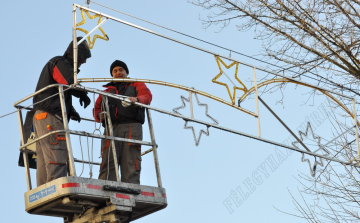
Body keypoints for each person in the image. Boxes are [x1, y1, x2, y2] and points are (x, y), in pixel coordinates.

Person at [33, 37, 92, 186]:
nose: (84, 61)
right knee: (56, 152)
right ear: (76, 54)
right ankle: (56, 188)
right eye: (83, 57)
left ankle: (44, 190)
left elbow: (59, 90)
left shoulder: (59, 64)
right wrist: (82, 94)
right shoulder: (60, 62)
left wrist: (71, 110)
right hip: (50, 116)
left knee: (45, 157)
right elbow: (68, 82)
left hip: (42, 115)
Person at [93, 60, 152, 184]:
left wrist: (136, 100)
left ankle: (131, 189)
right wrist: (99, 115)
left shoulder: (137, 84)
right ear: (112, 74)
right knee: (108, 161)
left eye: (121, 70)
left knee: (130, 160)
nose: (118, 72)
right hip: (111, 128)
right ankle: (107, 187)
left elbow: (147, 96)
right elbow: (96, 108)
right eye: (115, 71)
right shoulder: (106, 92)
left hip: (132, 127)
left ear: (126, 72)